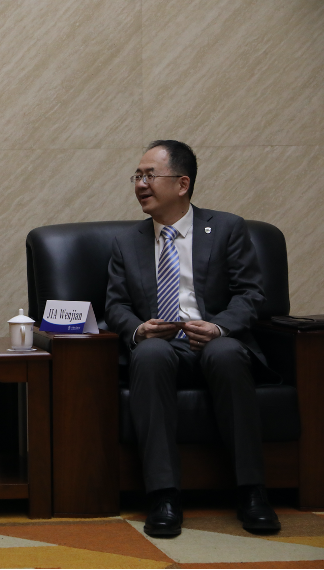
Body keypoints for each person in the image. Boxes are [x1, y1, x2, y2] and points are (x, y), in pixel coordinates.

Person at [105, 140, 281, 538]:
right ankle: (164, 496)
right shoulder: (126, 241)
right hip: (162, 345)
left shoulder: (226, 228)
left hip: (215, 339)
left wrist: (219, 327)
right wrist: (139, 329)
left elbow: (250, 293)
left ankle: (252, 492)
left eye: (150, 175)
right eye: (137, 176)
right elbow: (115, 305)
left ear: (182, 184)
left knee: (226, 353)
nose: (140, 184)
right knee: (149, 354)